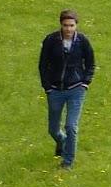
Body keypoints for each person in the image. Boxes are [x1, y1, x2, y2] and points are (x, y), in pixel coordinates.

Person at [38, 9, 95, 168]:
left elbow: (90, 63)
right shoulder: (51, 40)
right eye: (65, 25)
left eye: (71, 25)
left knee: (71, 125)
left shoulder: (83, 41)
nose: (68, 29)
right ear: (61, 25)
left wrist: (85, 83)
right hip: (55, 90)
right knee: (53, 129)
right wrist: (47, 86)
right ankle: (62, 141)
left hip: (76, 89)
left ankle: (67, 161)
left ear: (76, 25)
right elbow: (43, 64)